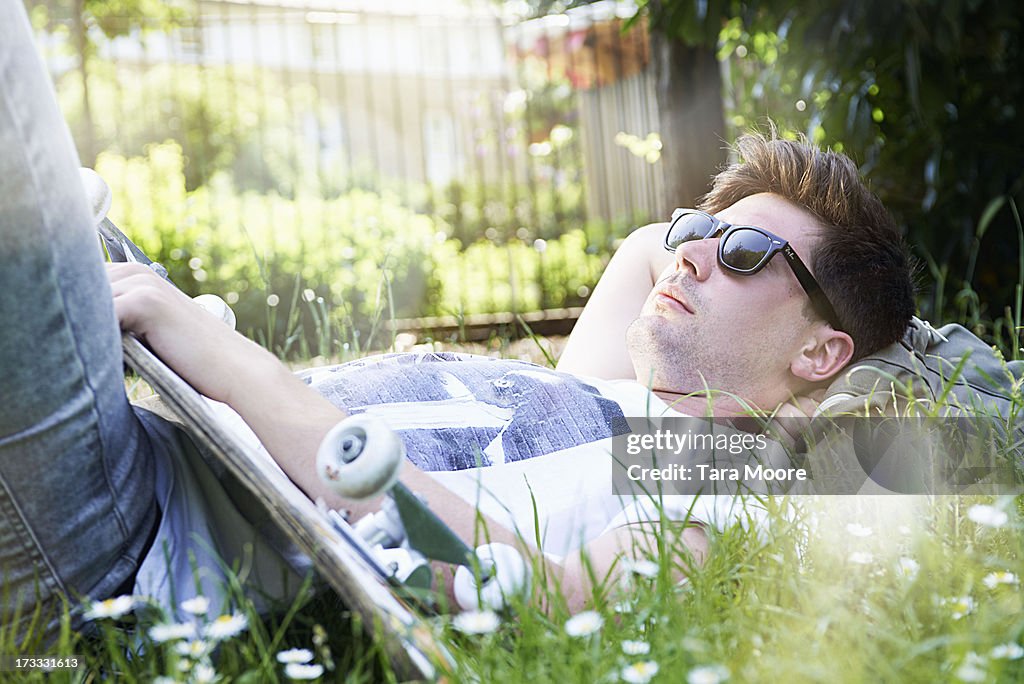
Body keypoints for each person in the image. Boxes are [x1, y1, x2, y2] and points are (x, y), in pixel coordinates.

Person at [0, 1, 915, 642]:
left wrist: (229, 360)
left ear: (821, 349)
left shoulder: (714, 491)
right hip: (139, 439)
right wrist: (729, 253)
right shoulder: (608, 392)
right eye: (698, 231)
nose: (692, 255)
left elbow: (555, 599)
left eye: (746, 253)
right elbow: (648, 244)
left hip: (114, 536)